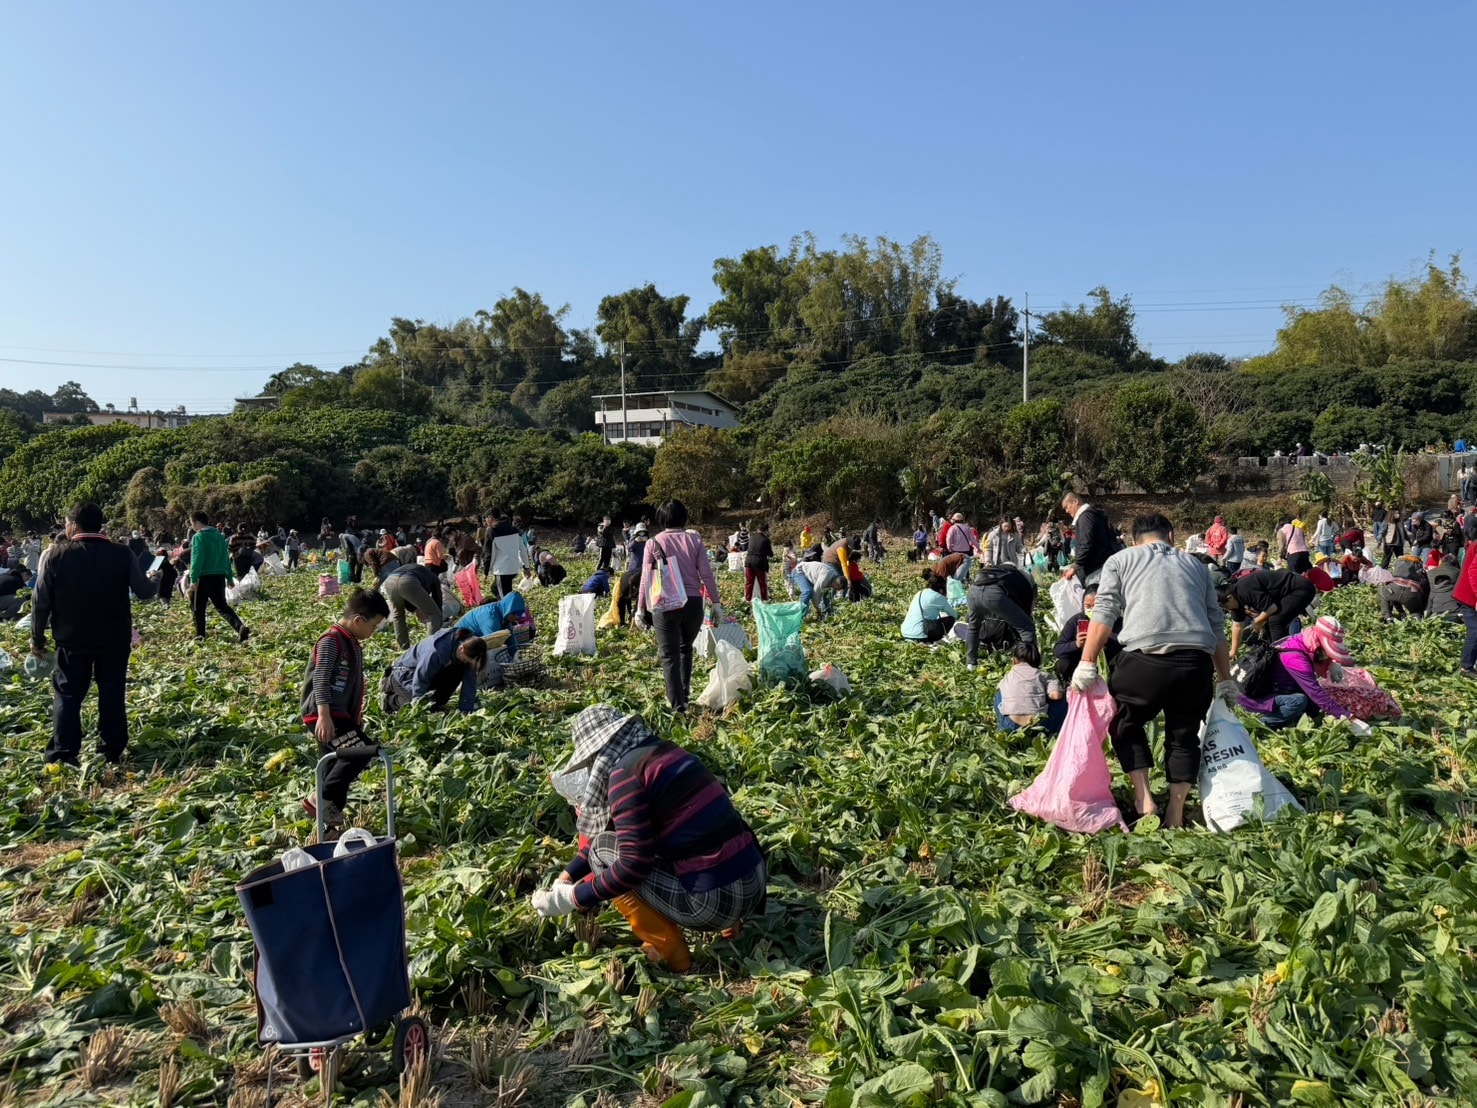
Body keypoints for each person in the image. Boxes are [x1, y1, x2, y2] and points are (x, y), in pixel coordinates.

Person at [529, 706, 766, 972]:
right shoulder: (665, 753)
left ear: (597, 752)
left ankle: (670, 950)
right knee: (690, 840)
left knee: (602, 855)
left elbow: (632, 863)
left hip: (715, 903)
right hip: (754, 880)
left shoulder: (624, 776)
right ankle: (731, 928)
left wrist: (572, 898)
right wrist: (567, 875)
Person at [1072, 514, 1236, 829]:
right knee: (1183, 736)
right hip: (1195, 665)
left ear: (1135, 541)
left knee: (1125, 724)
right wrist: (1226, 680)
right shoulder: (1197, 567)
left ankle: (1144, 799)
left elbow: (1104, 611)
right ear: (1171, 536)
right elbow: (1216, 624)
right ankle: (1175, 815)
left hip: (1144, 662)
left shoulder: (1121, 560)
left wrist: (1087, 662)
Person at [29, 501, 159, 766]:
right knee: (112, 692)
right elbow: (145, 593)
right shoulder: (122, 554)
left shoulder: (56, 556)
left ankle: (64, 754)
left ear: (74, 525)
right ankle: (110, 750)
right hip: (114, 638)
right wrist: (155, 579)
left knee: (68, 694)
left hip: (72, 638)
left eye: (66, 522)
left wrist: (37, 638)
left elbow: (40, 602)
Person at [300, 587, 390, 829]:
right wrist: (324, 715)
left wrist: (355, 717)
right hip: (325, 713)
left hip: (340, 715)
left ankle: (329, 822)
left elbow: (353, 686)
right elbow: (321, 678)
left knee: (331, 764)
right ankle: (319, 799)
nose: (373, 632)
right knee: (360, 752)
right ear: (359, 620)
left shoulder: (351, 642)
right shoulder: (332, 640)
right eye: (374, 626)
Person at [636, 501, 724, 713]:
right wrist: (717, 603)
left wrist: (640, 609)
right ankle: (684, 695)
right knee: (686, 650)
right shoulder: (695, 541)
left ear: (661, 518)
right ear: (684, 518)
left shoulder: (654, 543)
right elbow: (706, 574)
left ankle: (678, 708)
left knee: (669, 656)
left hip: (665, 605)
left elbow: (646, 579)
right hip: (693, 603)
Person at [1238, 616, 1353, 730]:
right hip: (1253, 698)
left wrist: (1330, 664)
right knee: (1298, 701)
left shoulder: (1301, 640)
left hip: (1272, 688)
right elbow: (1316, 693)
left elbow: (1315, 656)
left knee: (1313, 708)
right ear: (1320, 642)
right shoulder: (1295, 658)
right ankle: (1261, 724)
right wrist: (1347, 718)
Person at [382, 627, 487, 715]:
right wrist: (419, 701)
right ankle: (391, 699)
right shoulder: (435, 652)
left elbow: (470, 682)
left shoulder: (470, 650)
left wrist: (466, 709)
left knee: (457, 673)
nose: (466, 662)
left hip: (432, 674)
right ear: (461, 649)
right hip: (407, 674)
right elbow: (421, 677)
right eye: (466, 659)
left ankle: (437, 703)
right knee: (414, 708)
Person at [1219, 568, 1317, 658]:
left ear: (1229, 598)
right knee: (1268, 624)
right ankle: (1275, 653)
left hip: (1299, 588)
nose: (1226, 610)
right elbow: (1237, 626)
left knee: (1275, 620)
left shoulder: (1244, 589)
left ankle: (1282, 658)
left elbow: (1272, 608)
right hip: (1283, 595)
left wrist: (1257, 621)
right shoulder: (1234, 603)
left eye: (1224, 606)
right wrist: (1233, 651)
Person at [189, 512, 250, 645]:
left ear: (197, 523)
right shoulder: (219, 535)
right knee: (222, 606)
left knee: (198, 608)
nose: (192, 526)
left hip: (203, 577)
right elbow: (225, 557)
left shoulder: (198, 536)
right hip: (219, 577)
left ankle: (200, 637)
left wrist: (193, 580)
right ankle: (240, 627)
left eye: (192, 523)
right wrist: (229, 577)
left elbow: (196, 558)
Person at [961, 563, 1037, 669]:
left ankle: (971, 664)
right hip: (994, 595)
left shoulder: (1000, 572)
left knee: (973, 627)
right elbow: (1027, 612)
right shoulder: (1025, 580)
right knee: (1027, 628)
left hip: (973, 591)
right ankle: (1028, 666)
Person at [1052, 582, 1122, 686]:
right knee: (1063, 663)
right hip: (1083, 665)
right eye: (1087, 606)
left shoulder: (1116, 620)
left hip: (1110, 663)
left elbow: (1127, 645)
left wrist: (1107, 639)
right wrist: (1076, 644)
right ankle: (1072, 686)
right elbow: (1058, 650)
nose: (1091, 610)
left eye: (1095, 606)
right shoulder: (1076, 620)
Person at [995, 641, 1067, 734]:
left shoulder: (1007, 676)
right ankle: (1057, 728)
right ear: (1038, 660)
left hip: (1011, 726)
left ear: (1014, 660)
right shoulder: (1044, 675)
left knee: (999, 692)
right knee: (1064, 697)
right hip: (1038, 725)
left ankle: (1002, 727)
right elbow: (1056, 696)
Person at [380, 560, 445, 650]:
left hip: (390, 581)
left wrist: (415, 609)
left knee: (398, 615)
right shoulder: (434, 578)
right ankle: (428, 649)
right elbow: (437, 602)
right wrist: (439, 620)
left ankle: (404, 647)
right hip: (408, 581)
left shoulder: (420, 571)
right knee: (434, 614)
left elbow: (404, 594)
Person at [1059, 491, 1115, 585]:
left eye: (1066, 507)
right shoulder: (1093, 515)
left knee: (1096, 597)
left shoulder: (1086, 517)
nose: (1067, 511)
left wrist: (1076, 566)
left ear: (1075, 501)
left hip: (1095, 569)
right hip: (1101, 566)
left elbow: (1086, 543)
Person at [900, 571, 956, 643]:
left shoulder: (919, 593)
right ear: (941, 590)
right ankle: (934, 640)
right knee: (950, 619)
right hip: (920, 635)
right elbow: (954, 615)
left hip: (905, 632)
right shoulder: (938, 597)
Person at [489, 509, 531, 599]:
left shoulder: (493, 532)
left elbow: (491, 554)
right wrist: (526, 567)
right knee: (497, 588)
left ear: (490, 518)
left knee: (504, 596)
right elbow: (523, 550)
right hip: (513, 568)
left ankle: (510, 610)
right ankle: (510, 606)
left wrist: (488, 570)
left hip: (502, 570)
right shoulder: (515, 530)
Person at [1380, 556, 1430, 620]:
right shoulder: (1422, 574)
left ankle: (1388, 617)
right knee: (1416, 611)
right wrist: (1422, 606)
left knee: (1384, 593)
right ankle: (1416, 618)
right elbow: (1426, 591)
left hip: (1393, 590)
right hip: (1412, 592)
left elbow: (1386, 583)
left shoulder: (1397, 572)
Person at [938, 512, 977, 579]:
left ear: (955, 520)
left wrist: (949, 548)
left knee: (956, 567)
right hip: (966, 551)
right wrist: (978, 548)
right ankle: (966, 579)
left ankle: (957, 580)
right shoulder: (967, 528)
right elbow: (973, 539)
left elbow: (948, 539)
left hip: (956, 551)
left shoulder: (952, 528)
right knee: (966, 566)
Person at [744, 522, 774, 603]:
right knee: (762, 582)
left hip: (748, 561)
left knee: (749, 582)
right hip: (759, 563)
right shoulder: (765, 539)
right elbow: (770, 554)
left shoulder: (751, 537)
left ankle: (747, 599)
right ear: (766, 530)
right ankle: (764, 599)